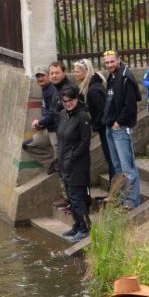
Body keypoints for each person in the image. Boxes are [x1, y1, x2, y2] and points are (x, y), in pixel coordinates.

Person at [100, 49, 142, 210]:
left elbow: (130, 105)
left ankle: (131, 200)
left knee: (127, 167)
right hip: (110, 126)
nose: (110, 65)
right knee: (117, 167)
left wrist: (118, 122)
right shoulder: (112, 76)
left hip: (120, 127)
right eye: (107, 62)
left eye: (112, 61)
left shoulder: (126, 77)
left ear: (119, 60)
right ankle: (121, 197)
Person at [56, 85, 92, 242]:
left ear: (77, 99)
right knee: (71, 197)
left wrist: (71, 158)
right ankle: (77, 225)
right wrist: (60, 160)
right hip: (65, 162)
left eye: (71, 100)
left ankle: (85, 228)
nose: (68, 103)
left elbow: (85, 143)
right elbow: (61, 139)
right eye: (65, 101)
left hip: (78, 164)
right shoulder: (63, 114)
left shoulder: (83, 117)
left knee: (77, 197)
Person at [72, 58, 115, 187]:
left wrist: (94, 125)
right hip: (104, 127)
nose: (74, 74)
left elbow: (102, 112)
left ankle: (115, 189)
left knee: (111, 158)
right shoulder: (91, 87)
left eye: (77, 72)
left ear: (86, 72)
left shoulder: (93, 90)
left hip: (106, 128)